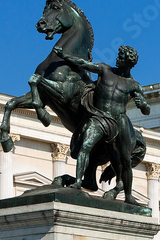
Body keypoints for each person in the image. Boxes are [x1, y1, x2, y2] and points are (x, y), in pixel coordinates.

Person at [53, 44, 150, 204]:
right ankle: (78, 181)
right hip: (100, 117)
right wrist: (65, 55)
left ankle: (128, 196)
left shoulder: (134, 85)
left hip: (120, 121)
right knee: (86, 145)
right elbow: (84, 64)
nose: (117, 59)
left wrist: (143, 105)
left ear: (128, 62)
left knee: (125, 159)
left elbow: (146, 110)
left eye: (121, 57)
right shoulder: (105, 70)